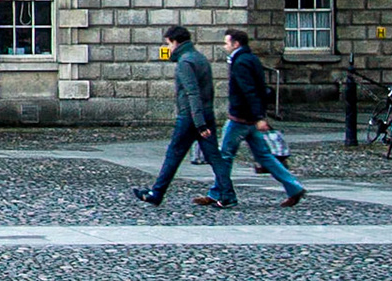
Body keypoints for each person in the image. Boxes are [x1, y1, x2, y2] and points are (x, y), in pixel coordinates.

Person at [132, 24, 236, 207]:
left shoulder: (185, 63)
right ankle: (228, 194)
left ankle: (156, 193)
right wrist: (204, 120)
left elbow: (192, 93)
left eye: (169, 44)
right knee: (214, 157)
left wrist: (199, 123)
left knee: (174, 155)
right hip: (205, 114)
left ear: (175, 42)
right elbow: (208, 91)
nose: (168, 48)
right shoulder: (200, 58)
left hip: (190, 117)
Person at [221, 28, 307, 207]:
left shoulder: (241, 62)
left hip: (240, 118)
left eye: (227, 42)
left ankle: (220, 192)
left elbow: (250, 91)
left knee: (225, 155)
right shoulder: (251, 59)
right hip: (250, 118)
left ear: (236, 44)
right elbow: (261, 89)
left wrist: (259, 116)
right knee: (265, 157)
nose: (225, 46)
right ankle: (294, 187)